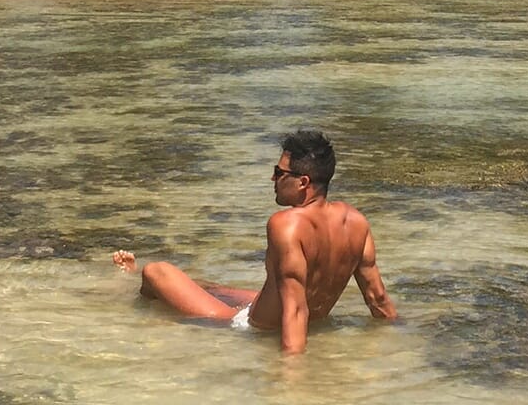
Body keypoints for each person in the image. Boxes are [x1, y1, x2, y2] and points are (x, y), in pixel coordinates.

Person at [113, 129, 396, 354]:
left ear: (303, 182)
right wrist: (399, 341)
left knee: (156, 271)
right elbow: (378, 299)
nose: (272, 178)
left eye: (279, 172)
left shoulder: (286, 224)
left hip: (253, 326)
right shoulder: (356, 221)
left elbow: (295, 310)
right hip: (297, 314)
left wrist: (292, 379)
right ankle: (186, 287)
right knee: (213, 288)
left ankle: (126, 287)